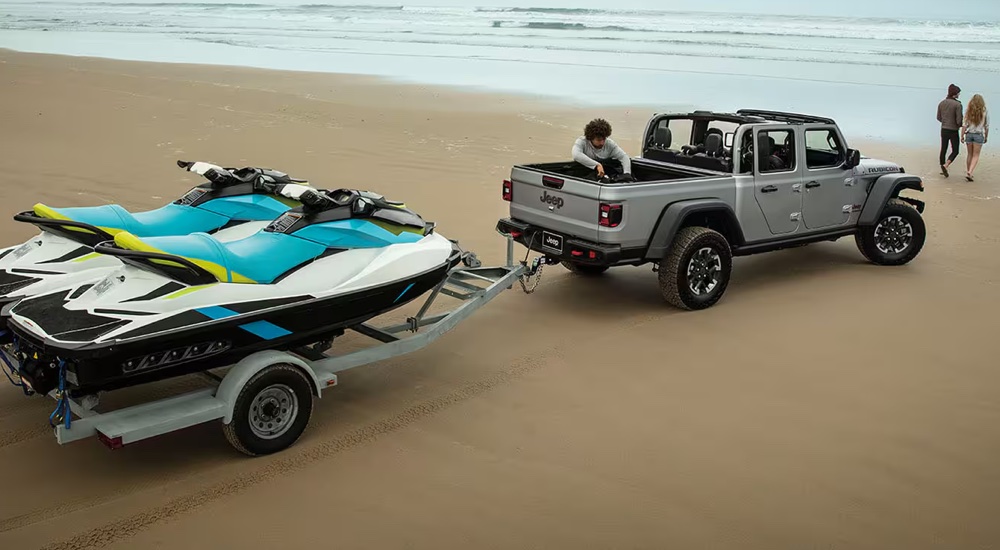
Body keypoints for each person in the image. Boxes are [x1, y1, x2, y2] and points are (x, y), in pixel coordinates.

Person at [937, 84, 964, 177]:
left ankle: (942, 166)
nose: (959, 94)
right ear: (954, 94)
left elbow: (938, 117)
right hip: (953, 130)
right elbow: (959, 120)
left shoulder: (942, 103)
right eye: (958, 93)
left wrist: (944, 122)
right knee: (955, 150)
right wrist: (960, 126)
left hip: (944, 129)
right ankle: (946, 164)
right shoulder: (958, 104)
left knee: (943, 148)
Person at [961, 94, 988, 182]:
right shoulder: (984, 112)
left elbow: (964, 125)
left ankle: (969, 172)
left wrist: (961, 136)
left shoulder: (968, 111)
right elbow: (986, 126)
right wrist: (986, 136)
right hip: (978, 135)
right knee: (975, 155)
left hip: (969, 134)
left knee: (969, 154)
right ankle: (970, 172)